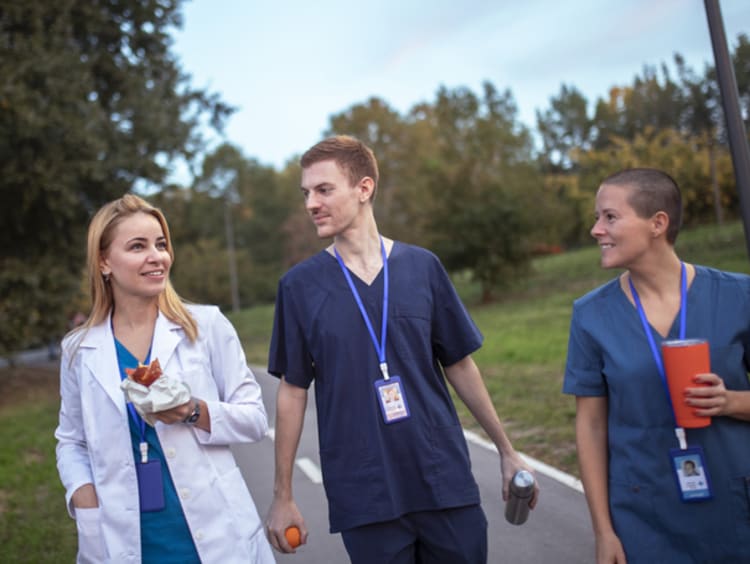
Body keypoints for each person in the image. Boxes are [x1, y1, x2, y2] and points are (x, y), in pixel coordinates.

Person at [265, 135, 538, 562]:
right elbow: (292, 391)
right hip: (364, 493)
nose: (310, 204)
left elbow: (461, 365)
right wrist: (283, 494)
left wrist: (507, 451)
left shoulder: (422, 267)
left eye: (323, 190)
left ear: (364, 188)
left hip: (442, 479)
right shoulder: (299, 288)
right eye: (306, 193)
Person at [55, 194, 275, 563]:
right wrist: (83, 494)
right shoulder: (79, 349)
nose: (157, 256)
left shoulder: (205, 326)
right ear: (104, 261)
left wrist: (193, 411)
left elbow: (255, 420)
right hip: (126, 541)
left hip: (216, 536)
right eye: (138, 246)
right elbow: (70, 440)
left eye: (161, 244)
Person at [563, 168, 750, 563]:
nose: (597, 230)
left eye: (610, 217)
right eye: (597, 218)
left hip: (735, 507)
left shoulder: (739, 296)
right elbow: (591, 426)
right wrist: (603, 531)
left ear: (657, 223)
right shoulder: (590, 316)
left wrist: (730, 401)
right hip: (643, 518)